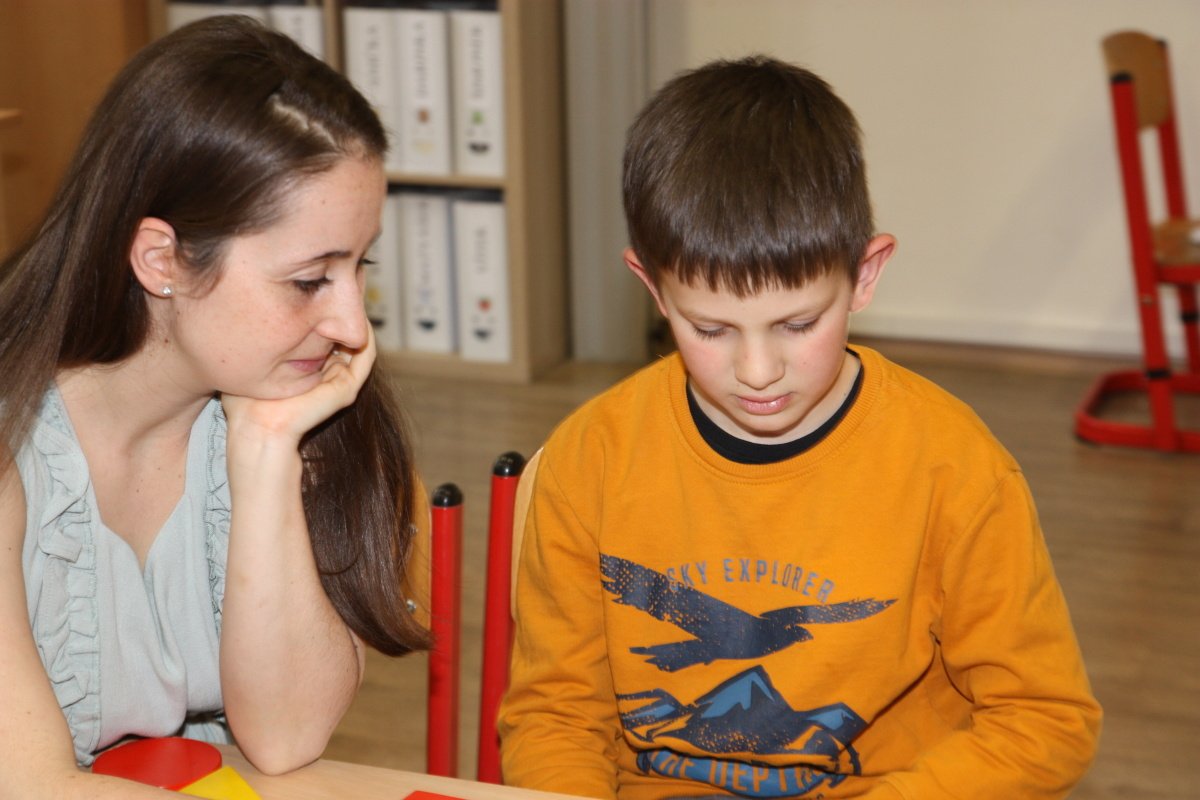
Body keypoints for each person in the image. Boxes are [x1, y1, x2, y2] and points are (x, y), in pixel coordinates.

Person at [498, 56, 1102, 799]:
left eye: (797, 324)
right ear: (652, 288)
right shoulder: (592, 458)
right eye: (711, 329)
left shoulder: (956, 469)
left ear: (865, 275)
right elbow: (555, 718)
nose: (758, 371)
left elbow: (1046, 721)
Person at [0, 16, 430, 798]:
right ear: (161, 259)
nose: (351, 325)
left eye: (358, 267)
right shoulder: (14, 446)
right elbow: (28, 784)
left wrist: (264, 453)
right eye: (309, 280)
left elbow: (286, 737)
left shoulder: (296, 405)